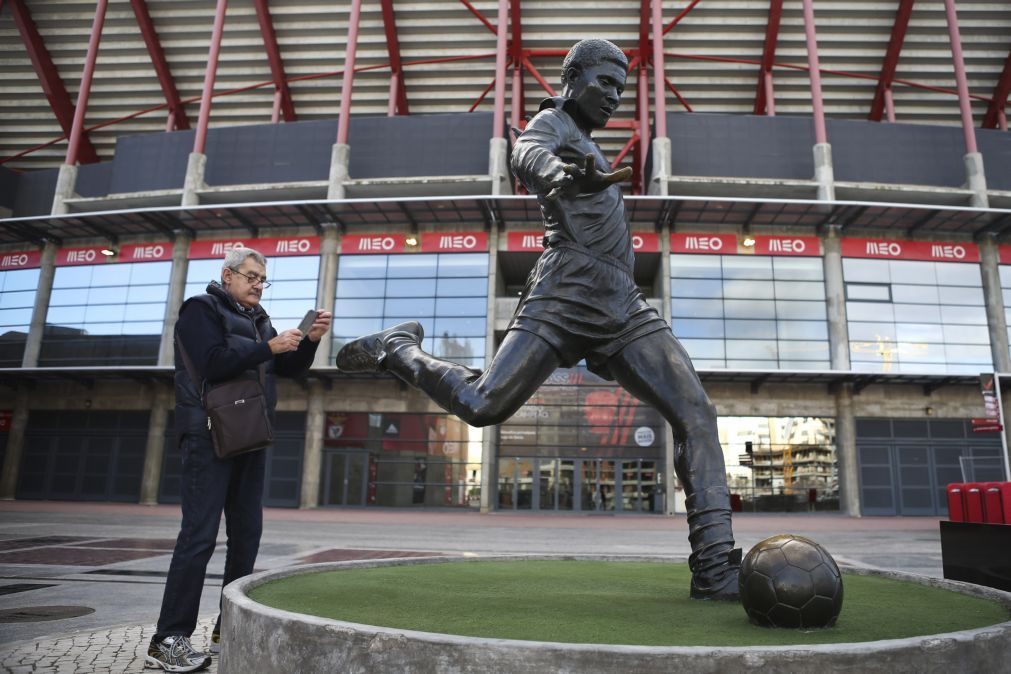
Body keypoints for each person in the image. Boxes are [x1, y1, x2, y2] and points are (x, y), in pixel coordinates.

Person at [336, 38, 740, 600]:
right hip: (566, 289)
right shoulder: (552, 124)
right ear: (570, 78)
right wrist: (556, 175)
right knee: (484, 406)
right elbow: (527, 152)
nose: (613, 98)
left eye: (621, 90)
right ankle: (397, 349)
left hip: (621, 303)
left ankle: (716, 567)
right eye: (604, 83)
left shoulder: (592, 146)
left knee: (696, 410)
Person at [146, 247, 332, 672]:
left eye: (262, 279)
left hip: (250, 433)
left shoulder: (259, 317)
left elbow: (289, 371)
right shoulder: (200, 309)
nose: (257, 285)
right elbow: (213, 362)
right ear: (227, 275)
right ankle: (168, 638)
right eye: (250, 277)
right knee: (199, 536)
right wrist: (268, 346)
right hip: (207, 434)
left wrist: (308, 343)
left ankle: (228, 623)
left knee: (247, 535)